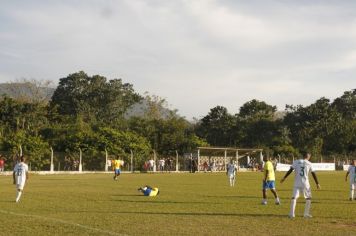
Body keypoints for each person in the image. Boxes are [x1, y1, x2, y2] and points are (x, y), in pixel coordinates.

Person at [281, 152, 321, 218]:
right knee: (308, 198)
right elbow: (313, 173)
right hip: (305, 183)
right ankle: (306, 214)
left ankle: (291, 214)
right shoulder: (309, 163)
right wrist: (317, 183)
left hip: (297, 183)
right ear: (308, 156)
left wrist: (284, 178)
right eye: (309, 156)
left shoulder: (296, 162)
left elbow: (290, 170)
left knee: (294, 197)